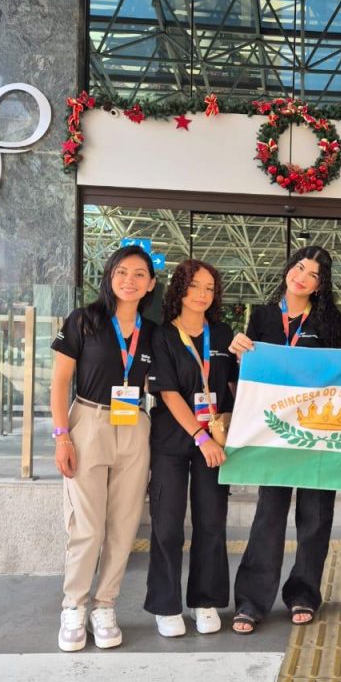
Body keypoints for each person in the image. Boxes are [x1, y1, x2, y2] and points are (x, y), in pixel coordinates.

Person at [229, 246, 341, 633]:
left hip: (318, 437)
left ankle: (304, 593)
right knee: (269, 516)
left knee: (315, 518)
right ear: (288, 269)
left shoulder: (331, 322)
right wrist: (237, 351)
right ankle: (251, 600)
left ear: (320, 286)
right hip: (274, 435)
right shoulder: (261, 316)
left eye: (313, 274)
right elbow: (245, 375)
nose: (303, 276)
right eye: (300, 267)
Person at [51, 244, 157, 652]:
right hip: (89, 422)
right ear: (110, 276)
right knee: (87, 526)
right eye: (122, 272)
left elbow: (158, 384)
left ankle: (105, 604)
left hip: (133, 427)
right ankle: (73, 605)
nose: (129, 281)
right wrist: (62, 435)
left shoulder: (153, 332)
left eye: (139, 275)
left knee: (124, 523)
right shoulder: (84, 321)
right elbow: (60, 382)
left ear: (149, 285)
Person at [145, 259, 234, 638]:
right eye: (195, 285)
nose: (202, 294)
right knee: (167, 527)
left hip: (215, 442)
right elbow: (167, 392)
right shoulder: (163, 335)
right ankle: (166, 606)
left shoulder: (225, 334)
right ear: (180, 289)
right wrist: (201, 438)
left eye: (209, 288)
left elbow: (232, 389)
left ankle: (205, 600)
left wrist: (224, 428)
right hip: (173, 442)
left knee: (211, 523)